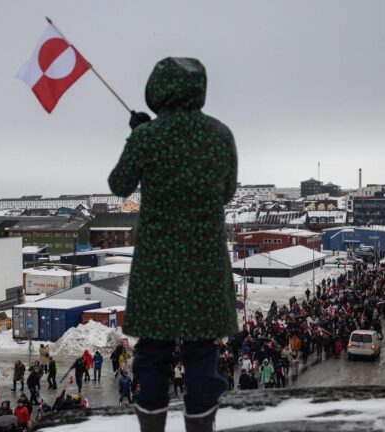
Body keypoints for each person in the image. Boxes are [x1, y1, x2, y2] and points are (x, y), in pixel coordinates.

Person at [110, 57, 238, 432]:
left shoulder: (148, 137)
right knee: (201, 352)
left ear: (157, 89)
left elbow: (120, 184)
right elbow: (227, 191)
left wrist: (139, 136)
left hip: (157, 263)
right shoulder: (220, 134)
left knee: (153, 352)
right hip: (204, 260)